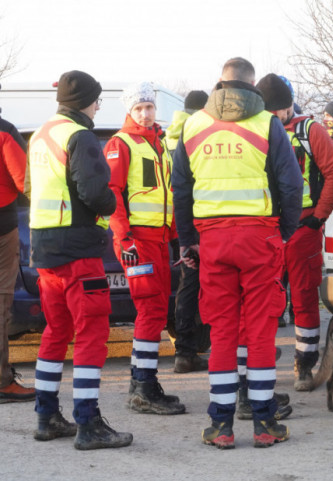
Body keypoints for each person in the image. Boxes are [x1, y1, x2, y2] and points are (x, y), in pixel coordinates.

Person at [172, 57, 303, 449]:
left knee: (223, 330)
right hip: (260, 236)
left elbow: (181, 189)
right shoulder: (268, 124)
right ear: (253, 87)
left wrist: (187, 240)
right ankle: (264, 423)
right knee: (260, 329)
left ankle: (220, 425)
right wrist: (283, 232)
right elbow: (291, 186)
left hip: (212, 239)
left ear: (220, 85)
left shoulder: (193, 125)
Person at [28, 70, 132, 449]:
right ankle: (88, 423)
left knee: (56, 332)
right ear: (87, 101)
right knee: (91, 332)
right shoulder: (79, 135)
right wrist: (111, 205)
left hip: (44, 250)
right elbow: (94, 192)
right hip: (78, 251)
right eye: (97, 100)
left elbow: (30, 187)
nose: (98, 106)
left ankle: (47, 416)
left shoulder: (41, 134)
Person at [255, 74, 333, 392]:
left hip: (304, 227)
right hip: (268, 228)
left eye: (281, 109)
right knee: (265, 299)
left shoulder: (310, 130)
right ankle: (261, 364)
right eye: (271, 110)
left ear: (290, 104)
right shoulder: (258, 129)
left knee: (305, 299)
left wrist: (319, 218)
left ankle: (304, 364)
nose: (277, 115)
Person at [104, 81, 185, 415]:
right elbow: (112, 193)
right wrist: (126, 240)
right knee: (151, 310)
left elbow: (169, 194)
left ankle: (142, 384)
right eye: (139, 108)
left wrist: (179, 239)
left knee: (155, 310)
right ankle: (143, 387)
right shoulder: (121, 144)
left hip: (160, 240)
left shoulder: (160, 144)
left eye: (149, 107)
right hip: (138, 242)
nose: (146, 113)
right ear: (129, 111)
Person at [164, 90, 210, 374]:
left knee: (188, 283)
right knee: (213, 280)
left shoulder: (168, 134)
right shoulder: (201, 131)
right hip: (203, 215)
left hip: (174, 217)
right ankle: (200, 348)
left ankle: (184, 349)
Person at [0, 94, 35, 404]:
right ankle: (2, 381)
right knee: (0, 302)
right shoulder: (4, 131)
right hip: (1, 226)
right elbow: (25, 181)